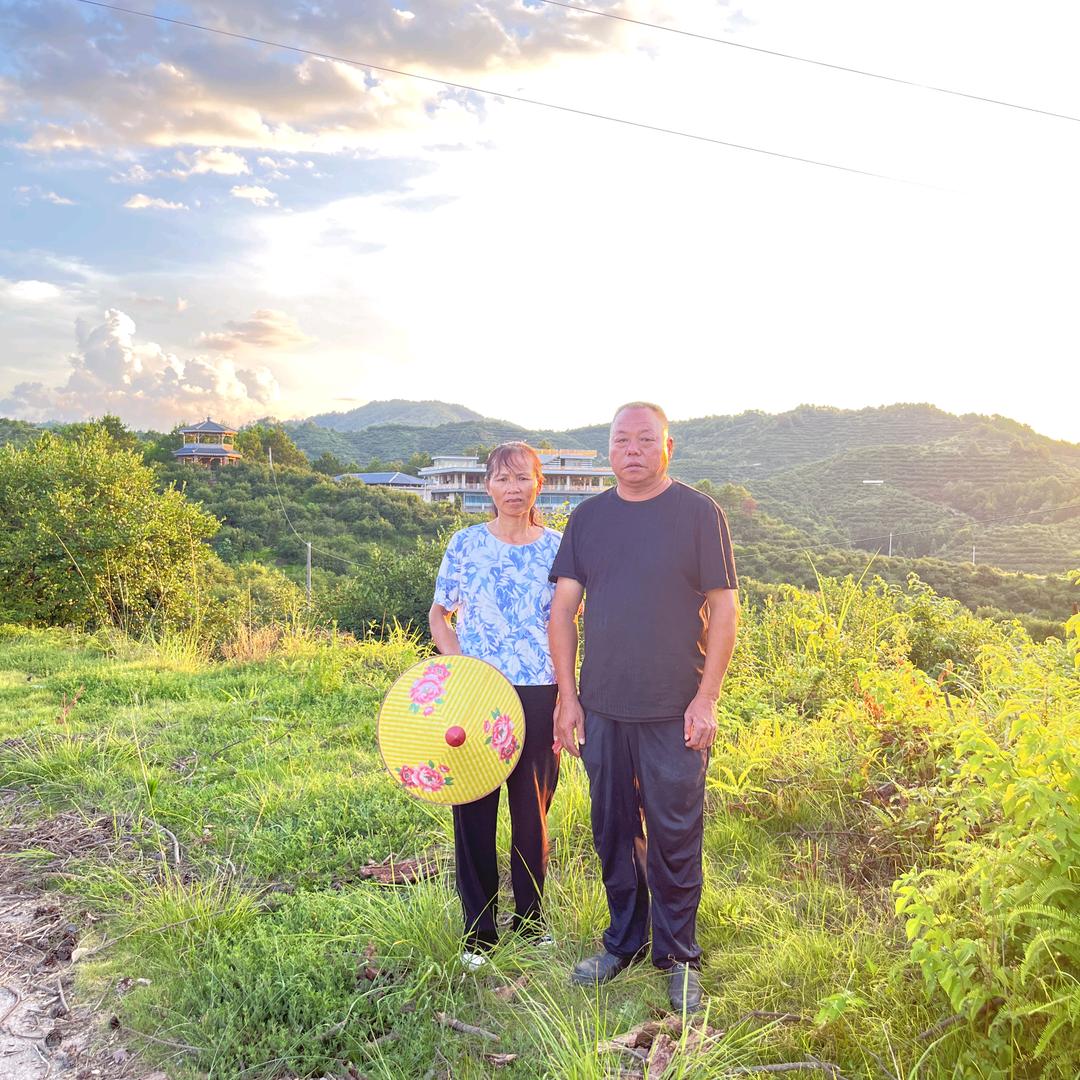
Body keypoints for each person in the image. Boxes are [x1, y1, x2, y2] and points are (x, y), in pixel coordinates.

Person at [548, 402, 738, 1013]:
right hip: (601, 707)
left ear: (667, 447)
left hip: (674, 707)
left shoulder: (697, 513)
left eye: (644, 439)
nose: (631, 449)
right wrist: (568, 701)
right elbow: (563, 612)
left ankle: (679, 955)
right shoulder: (589, 518)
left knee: (675, 834)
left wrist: (706, 699)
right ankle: (623, 941)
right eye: (620, 440)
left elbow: (725, 609)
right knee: (611, 829)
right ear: (608, 450)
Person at [429, 442, 563, 969]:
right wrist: (460, 666)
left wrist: (567, 696)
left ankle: (531, 924)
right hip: (476, 693)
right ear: (487, 486)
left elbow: (566, 623)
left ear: (538, 484)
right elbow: (440, 615)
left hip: (537, 693)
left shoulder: (558, 547)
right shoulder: (465, 544)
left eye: (523, 478)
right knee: (474, 812)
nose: (513, 488)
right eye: (503, 479)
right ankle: (478, 932)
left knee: (532, 814)